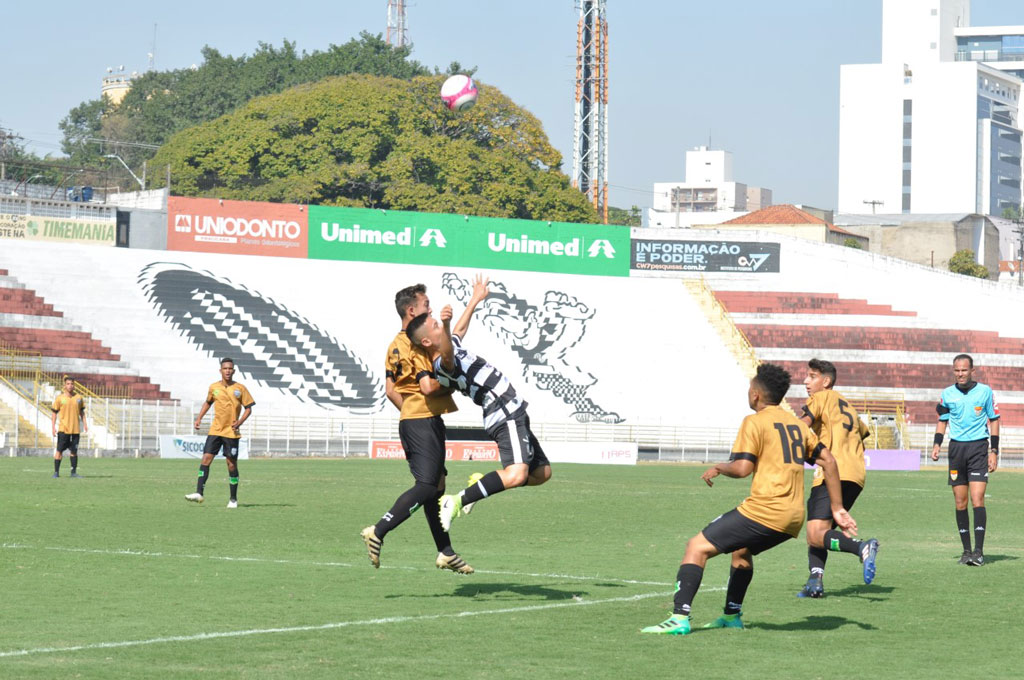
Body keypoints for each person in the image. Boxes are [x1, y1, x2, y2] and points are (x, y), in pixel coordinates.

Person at [640, 363, 857, 636]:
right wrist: (837, 508)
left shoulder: (754, 421)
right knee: (741, 551)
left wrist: (720, 467)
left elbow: (743, 468)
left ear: (755, 394)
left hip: (765, 511)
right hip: (792, 517)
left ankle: (679, 617)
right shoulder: (796, 424)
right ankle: (732, 615)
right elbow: (829, 460)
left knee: (696, 547)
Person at [406, 277, 553, 534]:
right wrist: (448, 324)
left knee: (541, 473)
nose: (440, 325)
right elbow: (450, 352)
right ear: (427, 342)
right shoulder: (442, 366)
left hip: (512, 408)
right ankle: (458, 500)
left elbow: (459, 332)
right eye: (435, 326)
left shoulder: (452, 345)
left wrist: (475, 299)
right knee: (517, 474)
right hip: (502, 409)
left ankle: (480, 485)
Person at [359, 282, 477, 575]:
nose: (431, 309)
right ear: (412, 311)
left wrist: (473, 301)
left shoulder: (395, 345)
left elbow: (390, 389)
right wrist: (420, 412)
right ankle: (379, 530)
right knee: (426, 486)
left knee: (436, 488)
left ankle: (445, 551)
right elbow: (436, 371)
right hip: (421, 422)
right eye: (427, 305)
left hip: (419, 420)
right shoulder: (416, 342)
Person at [796, 358, 879, 598]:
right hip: (856, 475)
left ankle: (861, 547)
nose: (806, 381)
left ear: (826, 381)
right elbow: (863, 432)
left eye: (811, 376)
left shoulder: (821, 397)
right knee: (820, 530)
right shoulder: (849, 406)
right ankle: (815, 581)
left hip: (832, 472)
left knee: (814, 533)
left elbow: (801, 428)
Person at [930, 353, 999, 566]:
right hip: (956, 450)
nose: (960, 374)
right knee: (960, 502)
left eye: (964, 370)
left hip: (979, 448)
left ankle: (978, 551)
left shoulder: (985, 392)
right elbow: (942, 421)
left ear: (972, 370)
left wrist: (994, 451)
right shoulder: (947, 394)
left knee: (977, 498)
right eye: (957, 370)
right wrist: (936, 444)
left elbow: (994, 420)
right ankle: (966, 551)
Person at [185, 357, 254, 509]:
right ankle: (199, 492)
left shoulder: (240, 388)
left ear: (234, 371)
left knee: (231, 464)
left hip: (231, 432)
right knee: (205, 459)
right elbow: (208, 402)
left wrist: (240, 422)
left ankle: (233, 499)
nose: (228, 371)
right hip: (215, 430)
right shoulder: (214, 387)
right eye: (225, 368)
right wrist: (199, 418)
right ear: (220, 370)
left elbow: (249, 408)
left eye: (230, 368)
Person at [51, 376, 87, 478]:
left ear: (74, 385)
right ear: (64, 385)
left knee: (74, 452)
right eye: (68, 384)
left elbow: (82, 412)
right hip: (63, 430)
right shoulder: (60, 398)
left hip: (75, 430)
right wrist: (53, 427)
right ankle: (56, 472)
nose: (70, 386)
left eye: (72, 384)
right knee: (59, 451)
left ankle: (73, 472)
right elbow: (54, 413)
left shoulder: (79, 398)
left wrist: (85, 424)